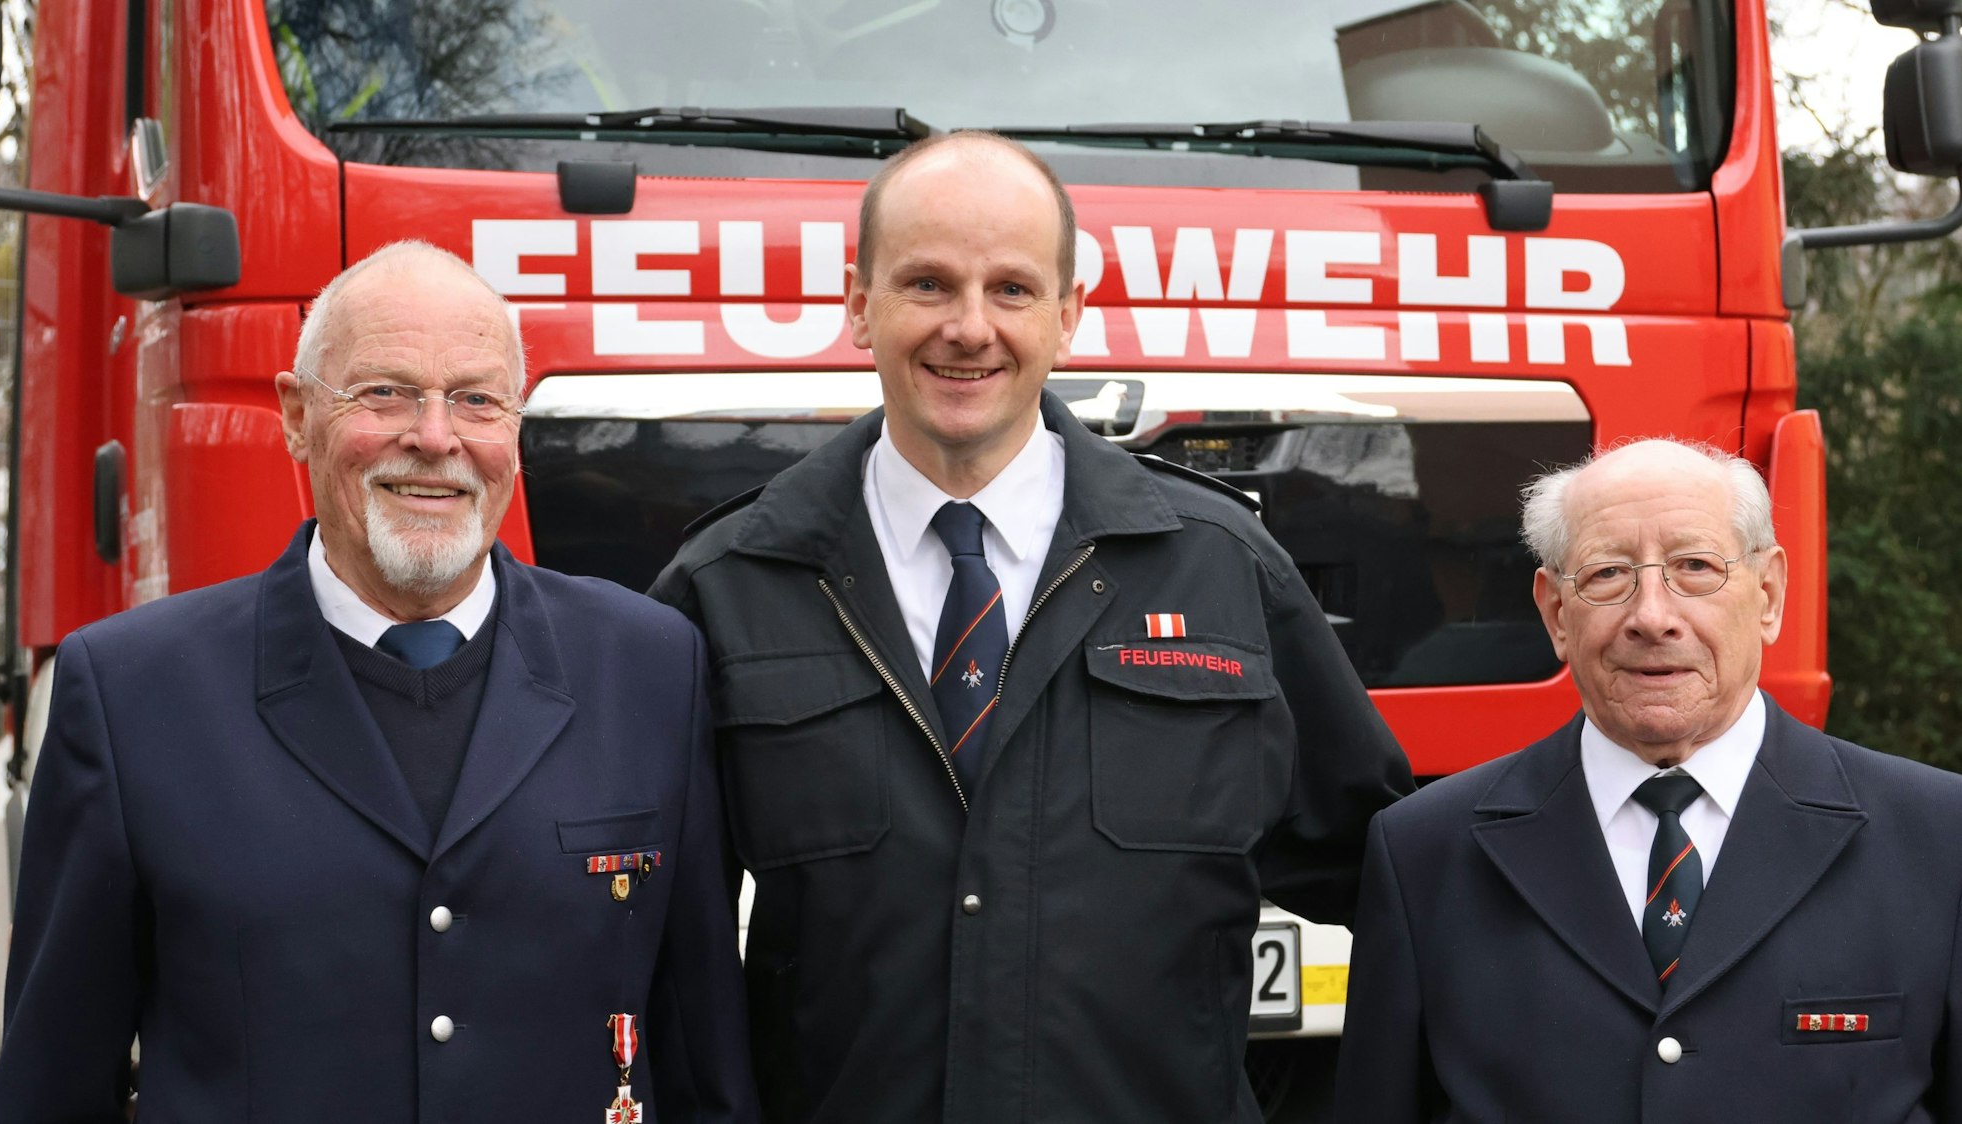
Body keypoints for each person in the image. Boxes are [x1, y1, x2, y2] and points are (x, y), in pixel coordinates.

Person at [649, 131, 1413, 1123]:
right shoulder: (728, 587)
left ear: (1068, 314)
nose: (970, 328)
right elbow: (652, 949)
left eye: (1011, 289)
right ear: (857, 304)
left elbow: (1396, 885)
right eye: (928, 284)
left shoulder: (1224, 569)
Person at [0, 242, 757, 1123]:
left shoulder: (651, 669)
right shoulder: (131, 696)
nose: (434, 437)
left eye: (476, 400)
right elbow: (51, 1090)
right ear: (296, 416)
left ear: (514, 429)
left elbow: (706, 1073)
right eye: (385, 392)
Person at [1335, 438, 1962, 1122]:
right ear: (1556, 614)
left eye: (1695, 567)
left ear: (1769, 594)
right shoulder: (1423, 853)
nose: (1653, 617)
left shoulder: (1940, 838)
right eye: (1608, 574)